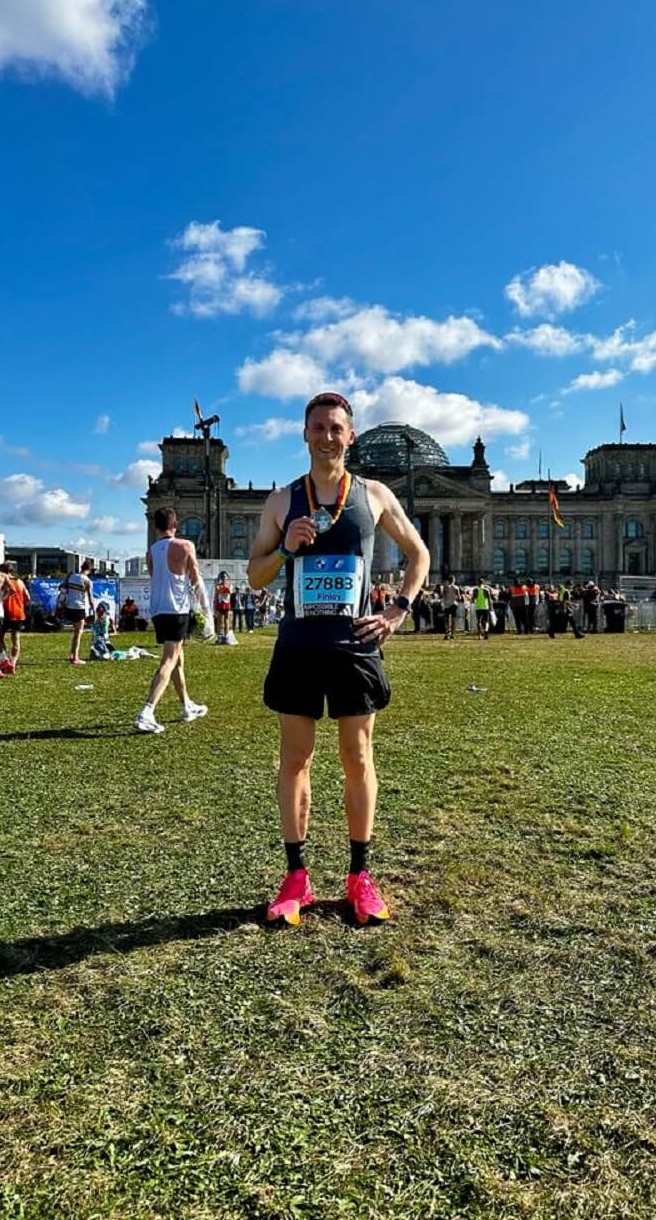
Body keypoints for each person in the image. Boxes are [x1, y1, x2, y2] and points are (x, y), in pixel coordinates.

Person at [248, 391, 429, 927]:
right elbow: (253, 573)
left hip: (355, 646)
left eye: (337, 428)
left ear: (351, 436)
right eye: (318, 427)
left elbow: (418, 554)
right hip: (299, 646)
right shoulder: (282, 502)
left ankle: (359, 876)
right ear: (305, 435)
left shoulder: (373, 494)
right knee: (295, 761)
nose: (327, 436)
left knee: (358, 759)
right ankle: (296, 876)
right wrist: (285, 549)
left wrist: (398, 609)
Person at [135, 507, 210, 734]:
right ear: (175, 525)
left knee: (178, 659)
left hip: (159, 610)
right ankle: (147, 711)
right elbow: (196, 580)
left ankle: (187, 705)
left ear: (156, 527)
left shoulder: (150, 552)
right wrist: (207, 612)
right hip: (177, 609)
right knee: (169, 661)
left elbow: (154, 577)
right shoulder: (185, 546)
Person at [58, 561, 95, 664]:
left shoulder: (71, 576)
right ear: (90, 570)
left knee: (75, 632)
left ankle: (72, 654)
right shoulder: (87, 581)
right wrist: (94, 610)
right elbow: (90, 598)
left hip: (69, 606)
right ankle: (75, 657)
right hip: (79, 608)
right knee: (78, 633)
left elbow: (61, 587)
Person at [0, 561, 29, 673]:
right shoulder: (20, 582)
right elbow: (27, 598)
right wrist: (21, 605)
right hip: (19, 613)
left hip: (5, 613)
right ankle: (13, 663)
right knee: (16, 640)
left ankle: (4, 659)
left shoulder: (2, 581)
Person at [213, 571, 233, 645]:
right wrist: (222, 589)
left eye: (225, 577)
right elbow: (218, 591)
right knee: (219, 620)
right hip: (220, 603)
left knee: (226, 620)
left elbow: (229, 591)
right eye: (223, 577)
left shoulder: (230, 585)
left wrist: (222, 589)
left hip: (227, 604)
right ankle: (219, 636)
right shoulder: (218, 585)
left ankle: (226, 636)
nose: (224, 578)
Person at [441, 574, 460, 640]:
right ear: (453, 580)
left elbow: (443, 596)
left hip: (446, 605)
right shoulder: (456, 588)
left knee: (446, 620)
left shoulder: (445, 587)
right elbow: (459, 597)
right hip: (454, 604)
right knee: (453, 620)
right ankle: (452, 634)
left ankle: (447, 633)